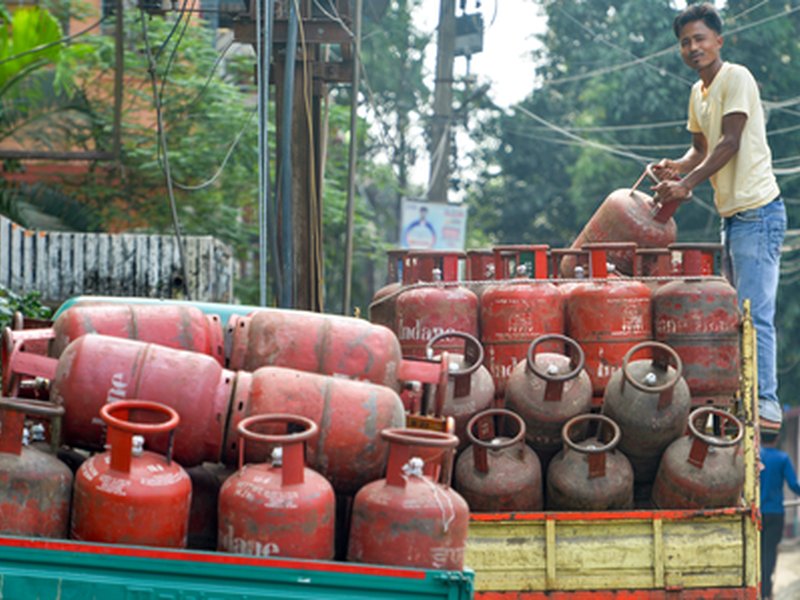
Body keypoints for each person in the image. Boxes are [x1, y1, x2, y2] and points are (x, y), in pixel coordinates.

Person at [652, 3, 786, 430]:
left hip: (759, 212)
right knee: (732, 317)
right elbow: (701, 149)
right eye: (686, 42)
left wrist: (687, 184)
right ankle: (741, 398)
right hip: (734, 218)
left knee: (754, 312)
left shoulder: (736, 78)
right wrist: (676, 166)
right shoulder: (699, 93)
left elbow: (729, 142)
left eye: (700, 39)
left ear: (719, 41)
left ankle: (766, 402)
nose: (693, 48)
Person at [760, 431, 800, 599]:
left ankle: (757, 586)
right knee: (769, 553)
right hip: (775, 513)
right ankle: (766, 591)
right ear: (777, 438)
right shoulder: (782, 458)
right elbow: (793, 485)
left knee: (757, 551)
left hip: (756, 513)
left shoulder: (755, 457)